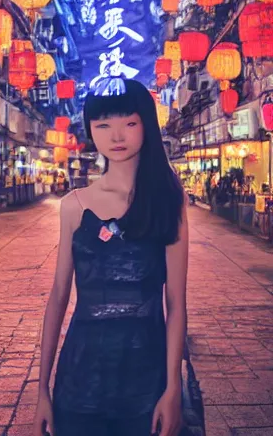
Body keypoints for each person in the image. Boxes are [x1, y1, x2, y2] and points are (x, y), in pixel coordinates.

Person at [33, 81, 188, 436]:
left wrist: (173, 388)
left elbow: (176, 304)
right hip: (80, 375)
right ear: (90, 131)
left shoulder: (168, 200)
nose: (116, 135)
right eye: (103, 125)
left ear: (146, 124)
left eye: (129, 123)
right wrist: (41, 389)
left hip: (147, 377)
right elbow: (58, 296)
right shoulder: (74, 205)